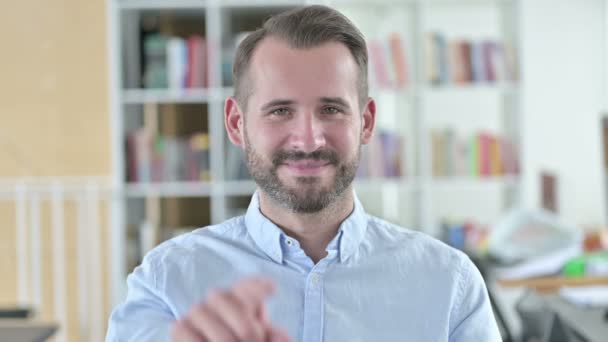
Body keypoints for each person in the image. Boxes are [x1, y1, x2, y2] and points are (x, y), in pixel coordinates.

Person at [106, 5, 501, 342]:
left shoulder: (449, 284)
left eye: (331, 109)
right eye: (280, 111)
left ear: (365, 122)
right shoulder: (166, 284)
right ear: (235, 123)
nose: (309, 139)